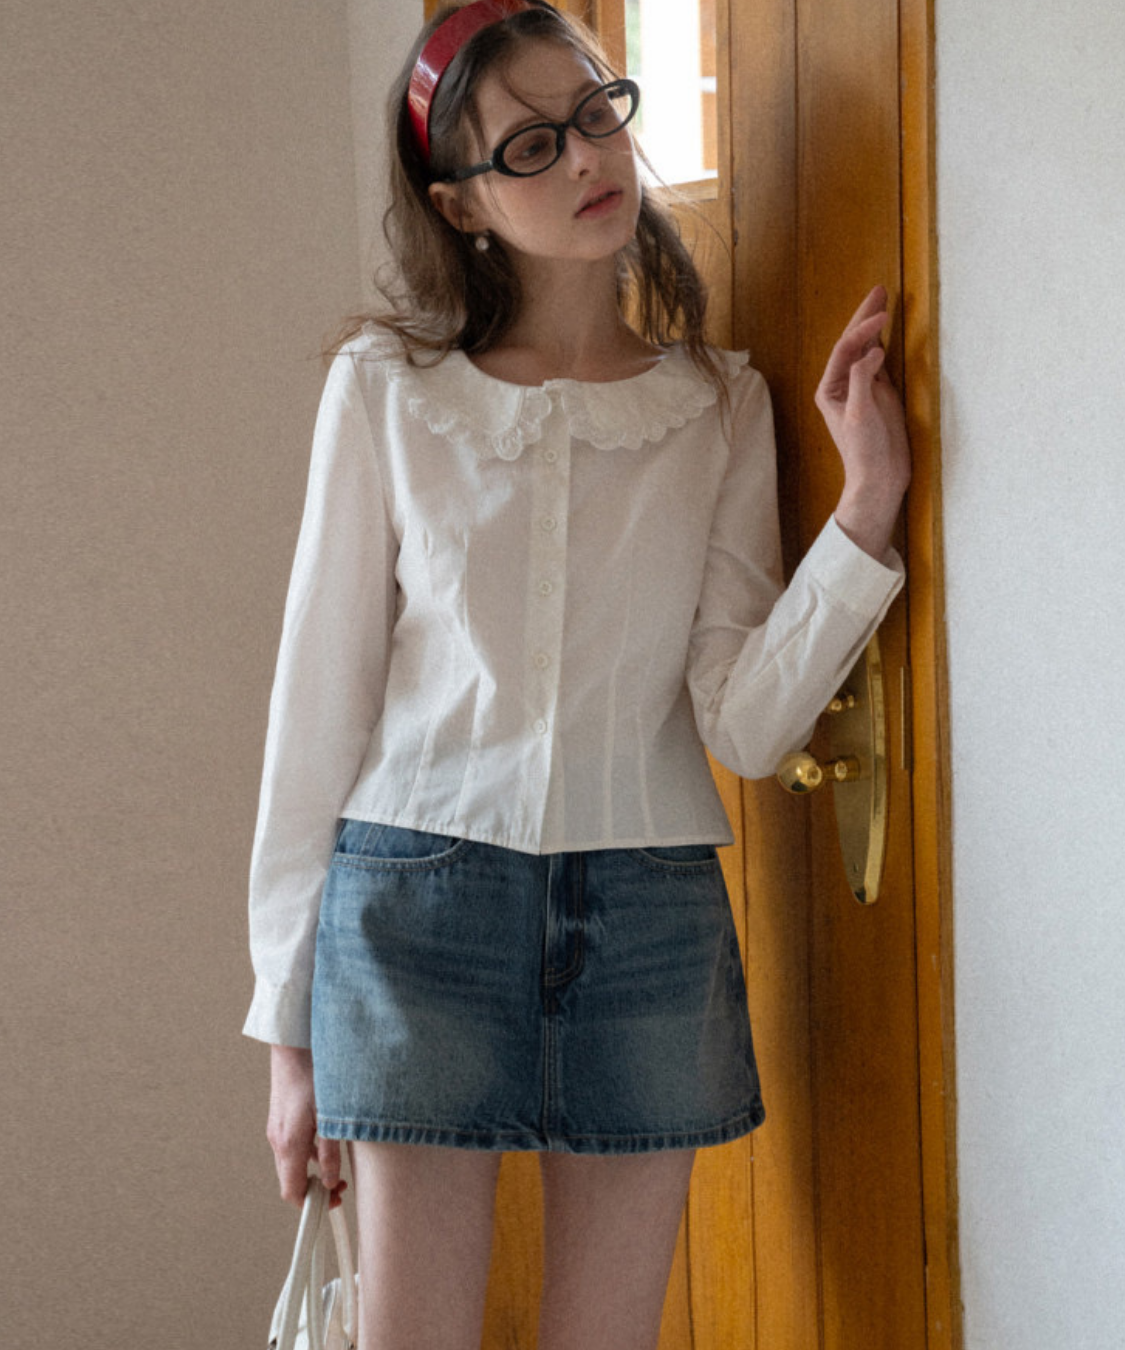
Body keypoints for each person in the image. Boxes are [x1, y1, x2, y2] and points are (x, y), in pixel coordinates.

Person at [244, 2, 910, 1347]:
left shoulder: (718, 406)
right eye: (532, 144)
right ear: (461, 203)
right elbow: (317, 709)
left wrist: (864, 515)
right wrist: (288, 1033)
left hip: (648, 915)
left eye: (597, 111)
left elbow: (745, 723)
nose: (589, 156)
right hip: (415, 906)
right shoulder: (387, 392)